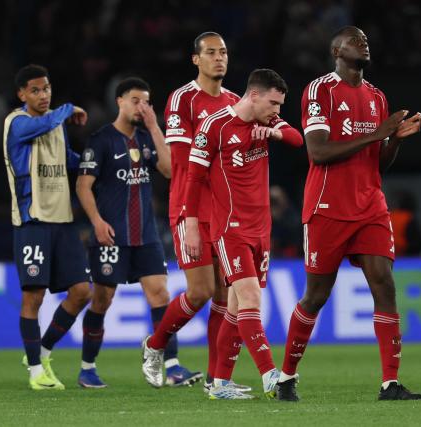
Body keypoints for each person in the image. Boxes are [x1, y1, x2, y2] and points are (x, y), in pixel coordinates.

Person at [277, 26, 421, 402]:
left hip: (370, 204)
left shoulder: (376, 96)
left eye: (366, 39)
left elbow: (378, 163)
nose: (364, 43)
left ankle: (390, 383)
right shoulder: (319, 90)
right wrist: (378, 133)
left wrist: (393, 140)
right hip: (328, 206)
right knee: (316, 295)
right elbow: (319, 152)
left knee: (384, 282)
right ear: (336, 50)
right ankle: (286, 377)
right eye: (355, 40)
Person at [143, 69, 303, 399]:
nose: (277, 111)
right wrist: (189, 223)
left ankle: (219, 383)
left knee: (231, 306)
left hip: (262, 230)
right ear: (254, 96)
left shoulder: (269, 121)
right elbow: (193, 178)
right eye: (273, 103)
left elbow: (298, 139)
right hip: (230, 229)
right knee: (246, 298)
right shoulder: (213, 126)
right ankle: (271, 376)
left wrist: (272, 132)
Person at [140, 32, 249, 392]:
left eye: (224, 52)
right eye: (211, 53)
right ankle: (155, 345)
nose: (220, 58)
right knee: (200, 291)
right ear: (196, 60)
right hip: (191, 209)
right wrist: (187, 217)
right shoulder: (183, 100)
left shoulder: (235, 102)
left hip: (225, 210)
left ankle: (218, 379)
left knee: (224, 294)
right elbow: (180, 165)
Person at [75, 77, 198, 387]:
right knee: (102, 299)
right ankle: (87, 367)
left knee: (160, 294)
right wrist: (97, 222)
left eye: (145, 101)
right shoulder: (101, 140)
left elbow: (171, 171)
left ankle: (171, 366)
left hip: (146, 235)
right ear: (119, 101)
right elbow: (83, 185)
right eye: (134, 100)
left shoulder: (146, 139)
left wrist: (156, 127)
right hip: (111, 236)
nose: (140, 106)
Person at [4, 64, 92, 390]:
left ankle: (39, 352)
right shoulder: (17, 123)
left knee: (82, 291)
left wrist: (93, 161)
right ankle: (35, 373)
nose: (43, 95)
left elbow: (64, 157)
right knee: (34, 296)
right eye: (36, 90)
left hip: (63, 221)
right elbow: (46, 122)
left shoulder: (55, 123)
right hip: (33, 221)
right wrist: (69, 108)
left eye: (47, 88)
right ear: (22, 94)